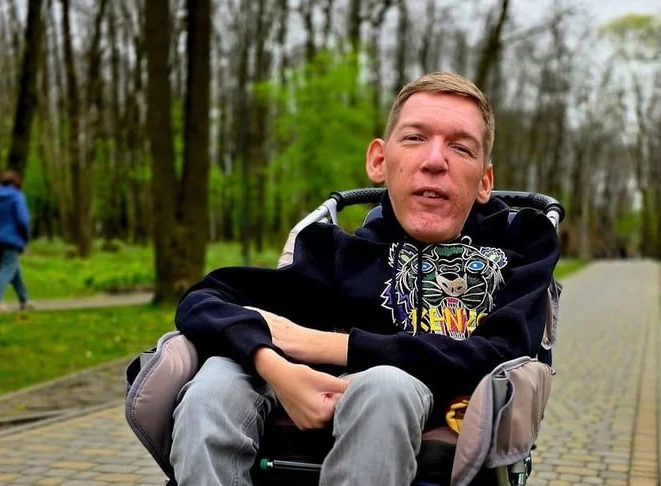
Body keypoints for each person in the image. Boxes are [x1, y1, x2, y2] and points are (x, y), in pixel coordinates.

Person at [170, 72, 560, 485]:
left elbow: (505, 353)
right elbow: (203, 299)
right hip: (309, 387)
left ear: (484, 182)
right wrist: (273, 365)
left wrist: (326, 345)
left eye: (461, 147)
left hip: (410, 399)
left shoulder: (522, 247)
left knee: (385, 386)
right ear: (379, 161)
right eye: (414, 138)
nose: (434, 160)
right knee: (214, 385)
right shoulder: (333, 253)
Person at [0, 170, 32, 312]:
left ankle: (24, 300)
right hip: (13, 238)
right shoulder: (17, 196)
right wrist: (25, 237)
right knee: (7, 269)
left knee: (14, 269)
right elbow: (23, 220)